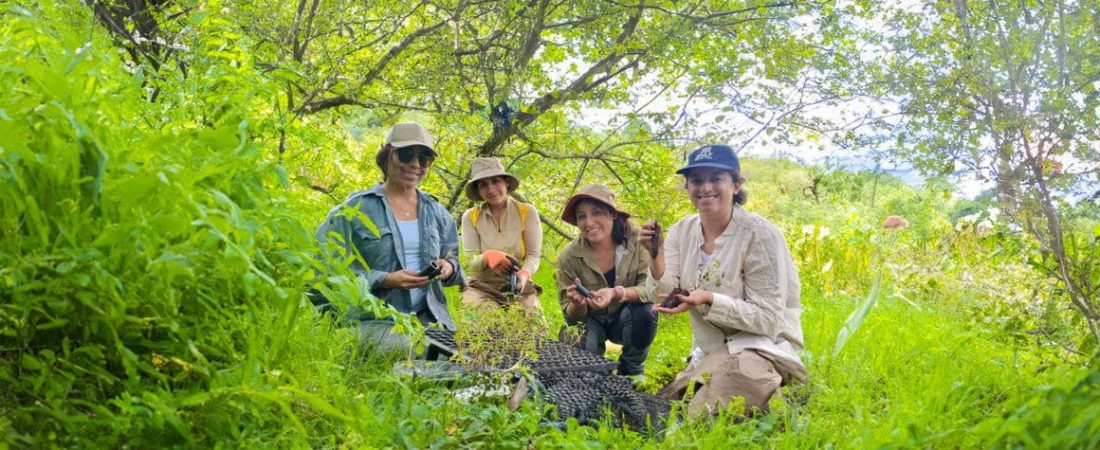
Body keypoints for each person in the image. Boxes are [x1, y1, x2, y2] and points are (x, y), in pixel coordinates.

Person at [641, 144, 807, 417]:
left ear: (737, 185)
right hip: (711, 348)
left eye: (716, 178)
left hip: (762, 345)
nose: (705, 187)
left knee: (698, 417)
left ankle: (771, 389)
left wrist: (708, 299)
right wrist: (655, 255)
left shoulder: (760, 234)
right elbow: (665, 293)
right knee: (670, 405)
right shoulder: (683, 230)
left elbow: (768, 319)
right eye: (696, 180)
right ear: (687, 188)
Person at [315, 122, 464, 350]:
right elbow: (326, 274)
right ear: (387, 156)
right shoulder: (353, 210)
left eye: (424, 158)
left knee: (473, 359)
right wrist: (383, 279)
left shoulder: (437, 213)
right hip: (374, 320)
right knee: (411, 349)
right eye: (406, 154)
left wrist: (449, 268)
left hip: (430, 320)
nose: (414, 164)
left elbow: (453, 259)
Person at [557, 184, 657, 377]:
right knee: (571, 335)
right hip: (592, 320)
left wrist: (616, 293)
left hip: (627, 318)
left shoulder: (638, 242)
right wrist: (577, 304)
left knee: (646, 311)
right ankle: (594, 373)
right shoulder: (568, 257)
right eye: (581, 216)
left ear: (613, 214)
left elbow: (651, 289)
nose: (589, 222)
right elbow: (570, 317)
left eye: (597, 213)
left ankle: (631, 370)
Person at [460, 157, 544, 314]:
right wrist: (489, 256)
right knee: (484, 323)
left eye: (495, 181)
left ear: (506, 183)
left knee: (532, 326)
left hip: (518, 283)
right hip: (482, 285)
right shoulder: (470, 217)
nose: (491, 189)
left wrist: (523, 275)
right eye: (483, 185)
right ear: (478, 190)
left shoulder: (526, 212)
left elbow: (533, 255)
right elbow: (469, 262)